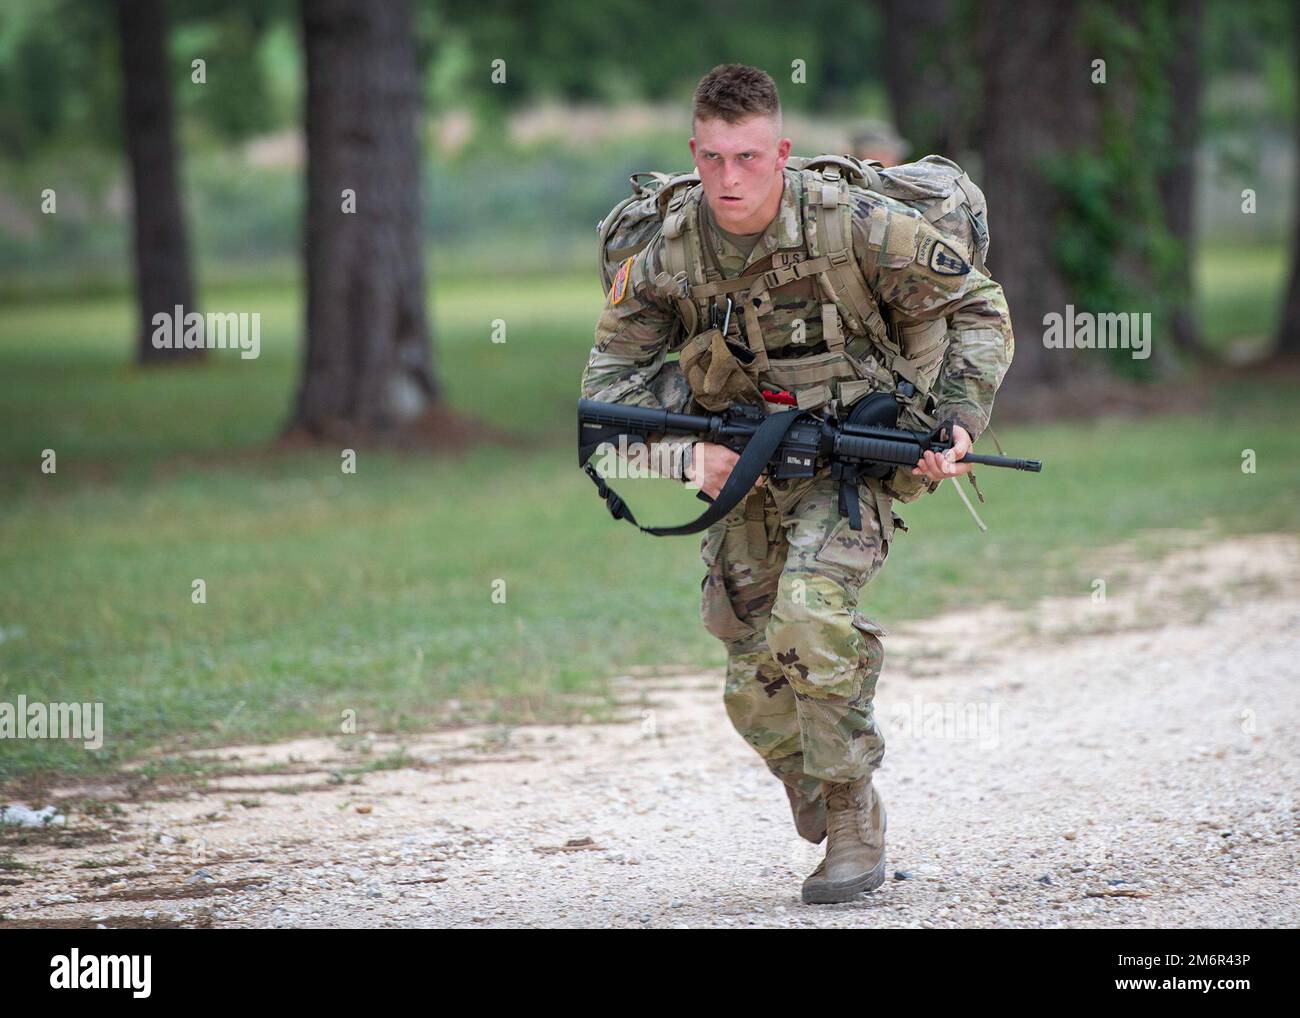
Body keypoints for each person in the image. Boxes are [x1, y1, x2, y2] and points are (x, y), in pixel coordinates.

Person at [580, 64, 1014, 904]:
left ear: (781, 151)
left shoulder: (855, 224)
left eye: (748, 158)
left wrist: (957, 421)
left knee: (809, 616)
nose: (730, 179)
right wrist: (679, 459)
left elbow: (976, 304)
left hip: (854, 460)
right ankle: (812, 780)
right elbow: (605, 396)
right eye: (712, 159)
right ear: (693, 154)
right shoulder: (669, 251)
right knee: (750, 681)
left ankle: (854, 816)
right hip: (746, 464)